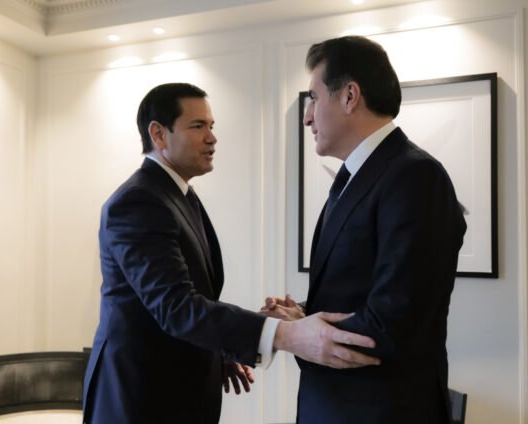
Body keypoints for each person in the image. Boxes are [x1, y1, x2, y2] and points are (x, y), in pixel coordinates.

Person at [83, 82, 380, 423]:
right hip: (138, 401)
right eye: (198, 126)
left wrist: (220, 349)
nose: (212, 138)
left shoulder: (177, 194)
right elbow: (176, 307)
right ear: (159, 134)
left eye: (211, 126)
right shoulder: (137, 202)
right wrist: (287, 334)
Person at [262, 36, 467, 423]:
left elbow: (393, 322)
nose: (307, 117)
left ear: (349, 96)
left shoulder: (415, 175)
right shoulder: (357, 177)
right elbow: (362, 294)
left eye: (313, 98)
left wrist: (299, 331)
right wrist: (303, 314)